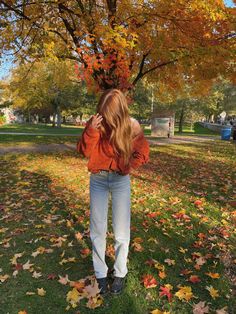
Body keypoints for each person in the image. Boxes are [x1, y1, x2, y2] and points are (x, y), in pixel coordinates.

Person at [77, 88, 150, 295]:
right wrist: (91, 130)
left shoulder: (131, 127)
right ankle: (100, 273)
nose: (106, 119)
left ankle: (119, 272)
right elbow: (84, 151)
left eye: (110, 114)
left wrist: (127, 167)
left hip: (120, 181)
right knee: (98, 228)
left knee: (121, 231)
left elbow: (143, 153)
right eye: (103, 112)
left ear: (118, 112)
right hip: (98, 179)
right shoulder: (96, 123)